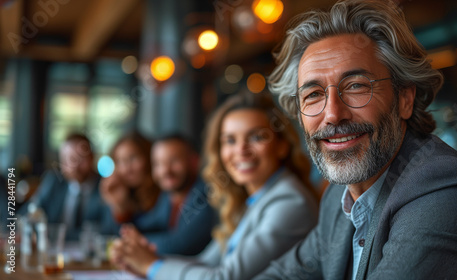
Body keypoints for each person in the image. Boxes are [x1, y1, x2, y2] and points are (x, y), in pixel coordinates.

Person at [254, 0, 457, 279]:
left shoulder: (446, 191)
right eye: (313, 95)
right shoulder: (338, 197)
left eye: (356, 86)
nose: (333, 114)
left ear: (404, 99)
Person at [110, 91, 319, 280]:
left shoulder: (290, 201)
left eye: (256, 137)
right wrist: (145, 262)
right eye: (230, 140)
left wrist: (151, 266)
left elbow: (223, 277)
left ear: (282, 146)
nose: (241, 150)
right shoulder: (254, 199)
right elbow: (205, 263)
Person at [129, 135, 216, 255]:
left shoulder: (206, 196)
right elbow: (148, 225)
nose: (165, 171)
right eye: (158, 164)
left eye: (174, 161)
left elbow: (180, 245)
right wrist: (120, 211)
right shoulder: (168, 196)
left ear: (194, 161)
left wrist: (137, 241)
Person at [23, 133, 105, 240]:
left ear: (92, 157)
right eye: (68, 160)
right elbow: (30, 212)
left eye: (80, 159)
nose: (75, 166)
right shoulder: (54, 181)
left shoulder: (105, 187)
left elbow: (107, 230)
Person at [100, 132, 161, 235]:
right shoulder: (122, 192)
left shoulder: (163, 194)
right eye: (120, 161)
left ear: (150, 158)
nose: (127, 169)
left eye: (133, 158)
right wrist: (119, 206)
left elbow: (150, 234)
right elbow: (108, 236)